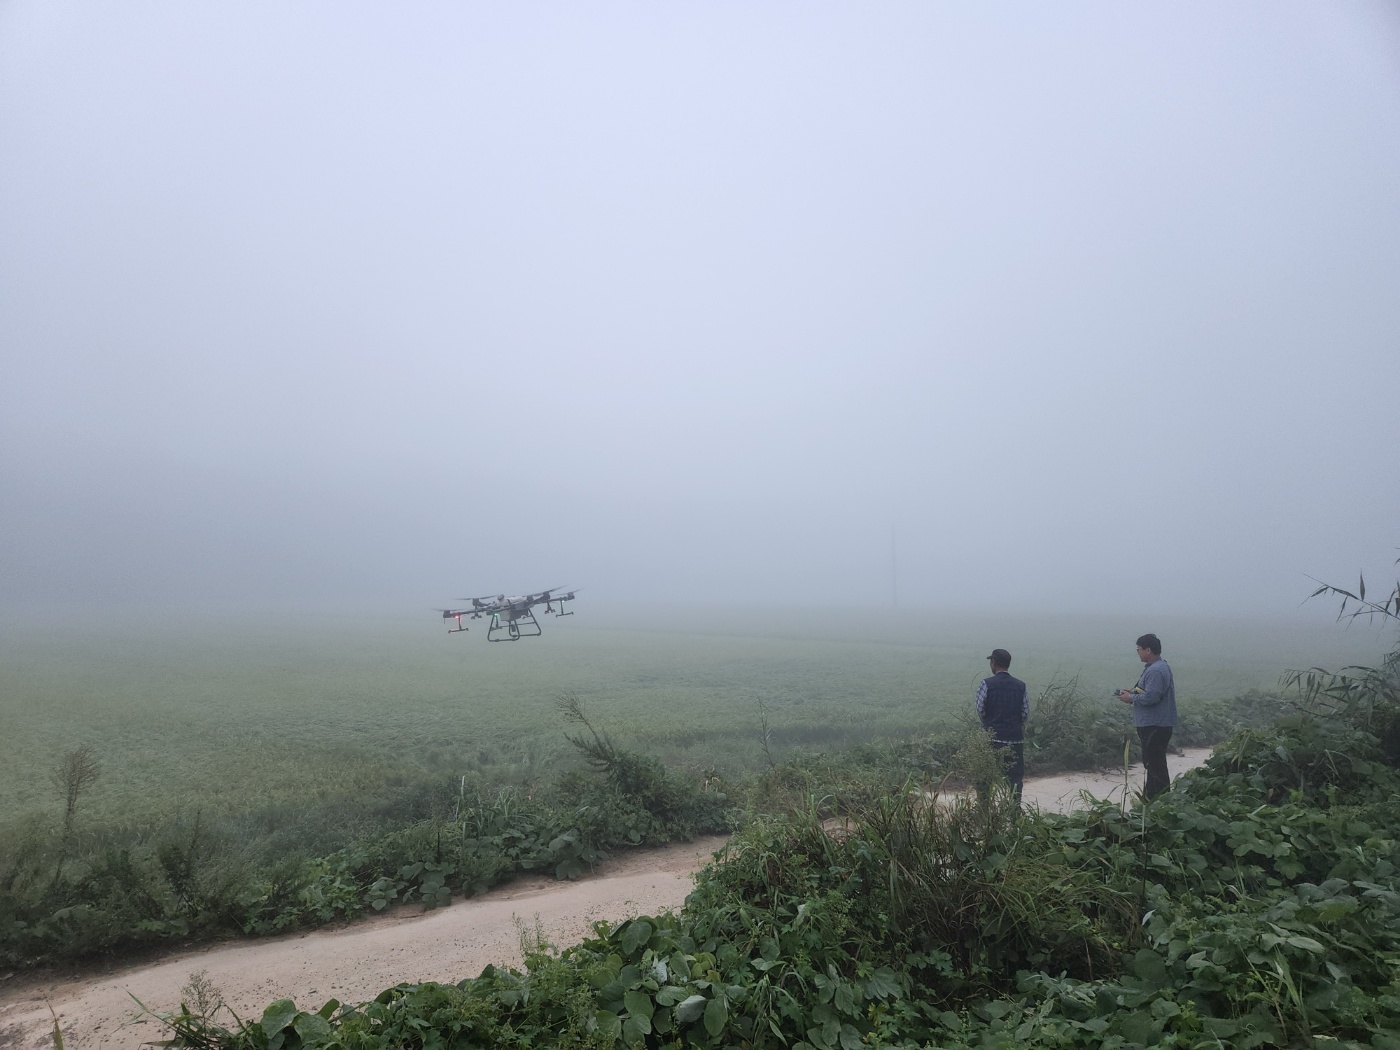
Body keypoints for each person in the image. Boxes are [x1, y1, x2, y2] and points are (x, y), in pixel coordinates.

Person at [1117, 633, 1177, 799]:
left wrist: (1131, 698)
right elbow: (1149, 692)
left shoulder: (1156, 671)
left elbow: (1152, 697)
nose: (1138, 653)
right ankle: (1156, 799)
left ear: (1148, 650)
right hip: (1156, 724)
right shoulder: (1157, 668)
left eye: (1139, 650)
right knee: (1154, 763)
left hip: (1155, 725)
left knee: (1154, 764)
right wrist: (1133, 692)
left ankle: (1156, 801)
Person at [976, 648, 1028, 801]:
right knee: (1015, 781)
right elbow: (1025, 713)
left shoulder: (986, 684)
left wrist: (989, 724)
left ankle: (984, 812)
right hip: (1015, 740)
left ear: (993, 663)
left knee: (985, 779)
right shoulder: (1021, 686)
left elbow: (981, 710)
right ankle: (1015, 814)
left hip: (992, 739)